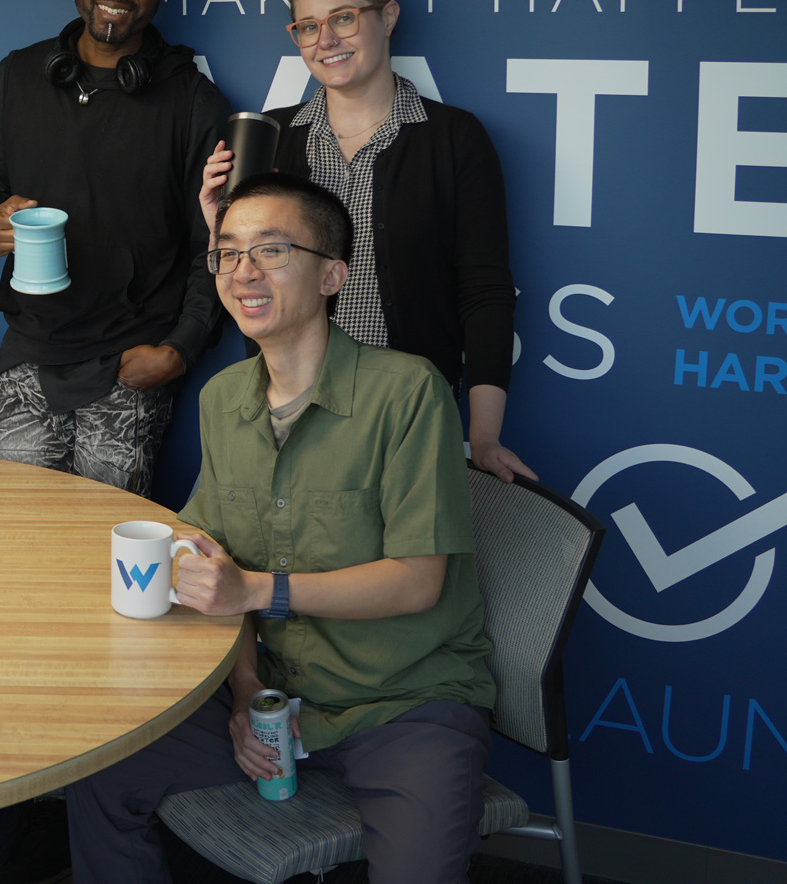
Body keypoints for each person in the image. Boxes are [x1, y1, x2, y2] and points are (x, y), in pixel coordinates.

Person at [67, 175, 495, 884]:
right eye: (229, 253)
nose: (244, 272)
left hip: (406, 704)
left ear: (333, 274)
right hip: (275, 697)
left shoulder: (408, 391)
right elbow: (212, 570)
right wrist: (243, 694)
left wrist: (256, 590)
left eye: (272, 250)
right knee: (103, 769)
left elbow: (419, 581)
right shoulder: (223, 397)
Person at [201, 0, 531, 482]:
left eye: (344, 18)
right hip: (289, 414)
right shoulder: (269, 140)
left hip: (412, 414)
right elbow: (246, 281)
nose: (325, 40)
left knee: (405, 565)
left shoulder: (454, 139)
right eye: (307, 26)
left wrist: (484, 435)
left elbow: (485, 290)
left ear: (389, 16)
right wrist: (216, 227)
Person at [0, 0, 230, 498]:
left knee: (105, 542)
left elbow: (215, 242)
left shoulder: (193, 100)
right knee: (20, 530)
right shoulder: (19, 75)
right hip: (30, 349)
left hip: (132, 358)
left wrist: (178, 351)